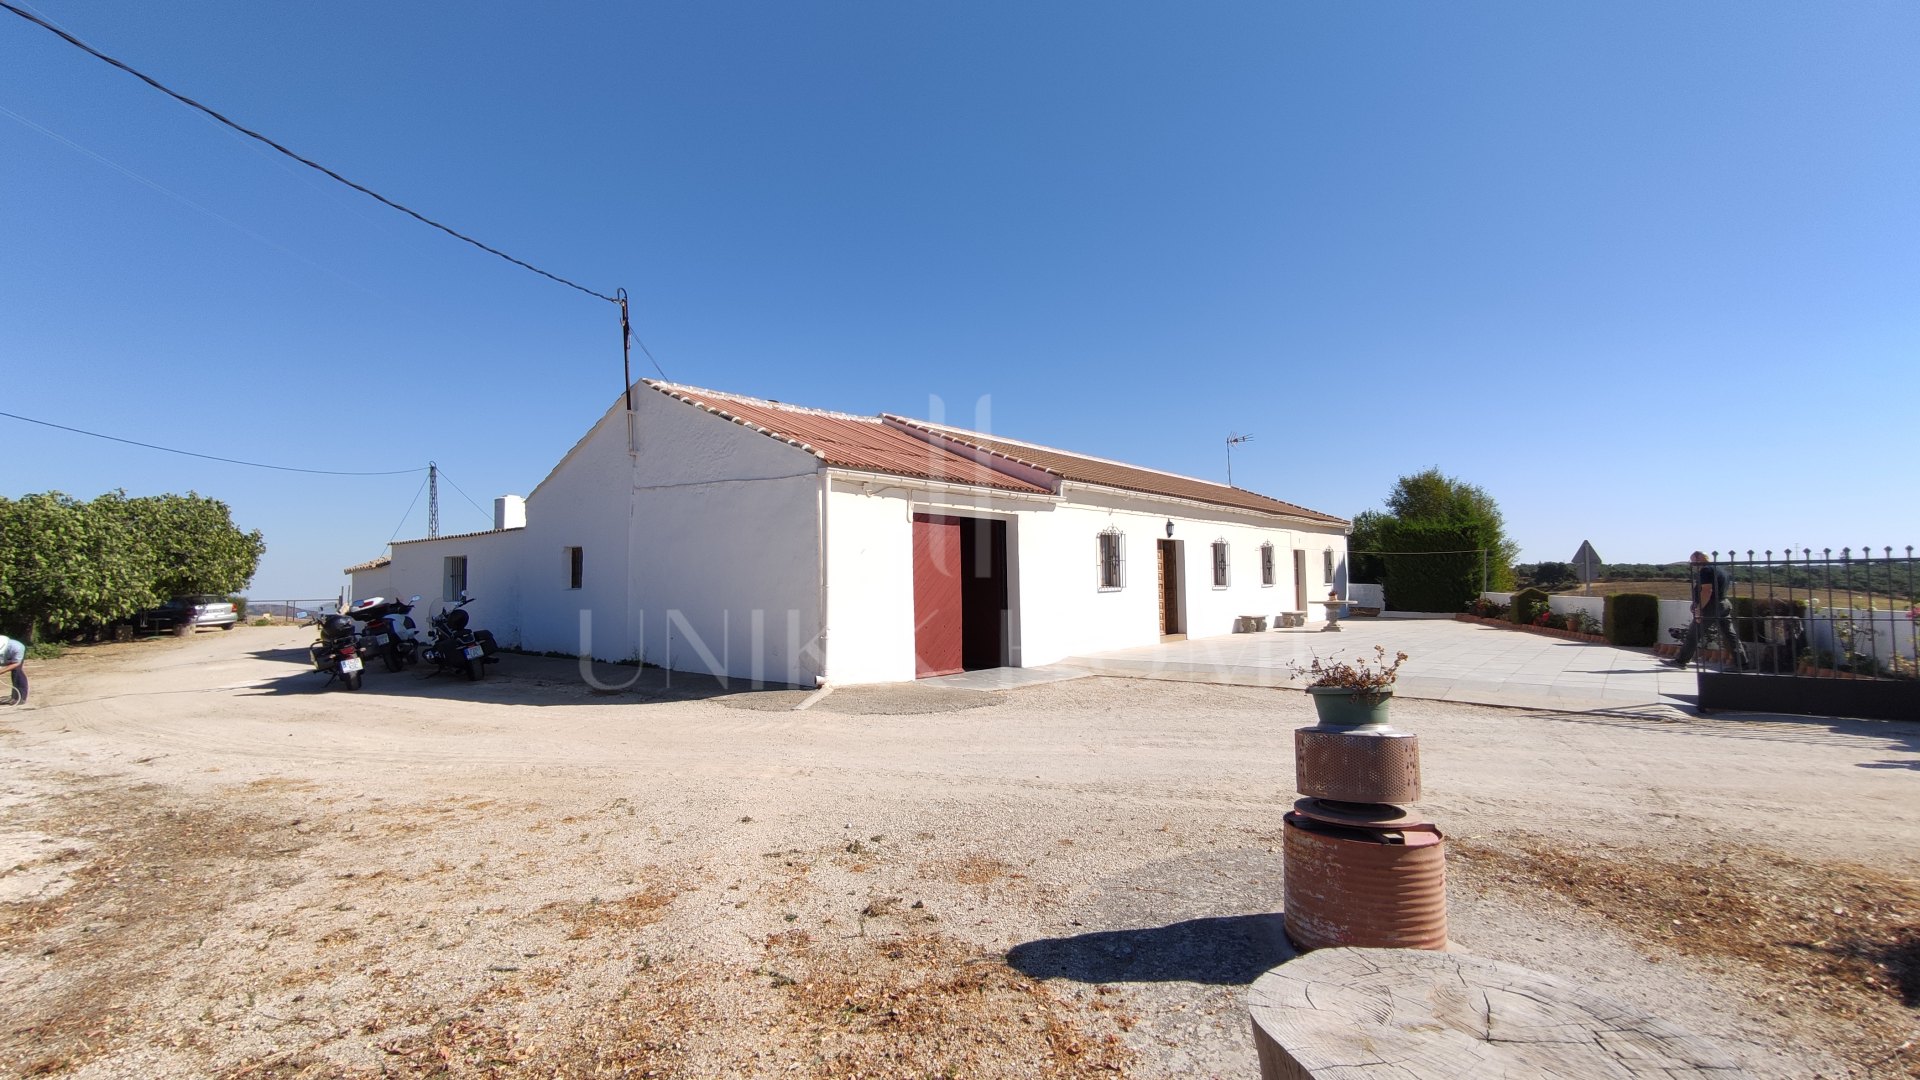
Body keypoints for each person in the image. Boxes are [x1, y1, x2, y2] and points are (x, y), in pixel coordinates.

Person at [1667, 552, 1750, 670]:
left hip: (1711, 606)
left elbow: (1707, 591)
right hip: (1724, 603)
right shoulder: (1720, 569)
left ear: (1699, 558)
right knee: (1730, 636)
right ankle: (1742, 664)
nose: (1692, 564)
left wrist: (1699, 608)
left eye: (1692, 560)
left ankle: (1681, 661)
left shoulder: (1706, 570)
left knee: (1694, 634)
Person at [0, 634, 26, 705]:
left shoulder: (17, 648)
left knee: (17, 673)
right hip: (4, 659)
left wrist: (1, 671)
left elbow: (16, 663)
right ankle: (14, 697)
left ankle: (20, 698)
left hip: (14, 659)